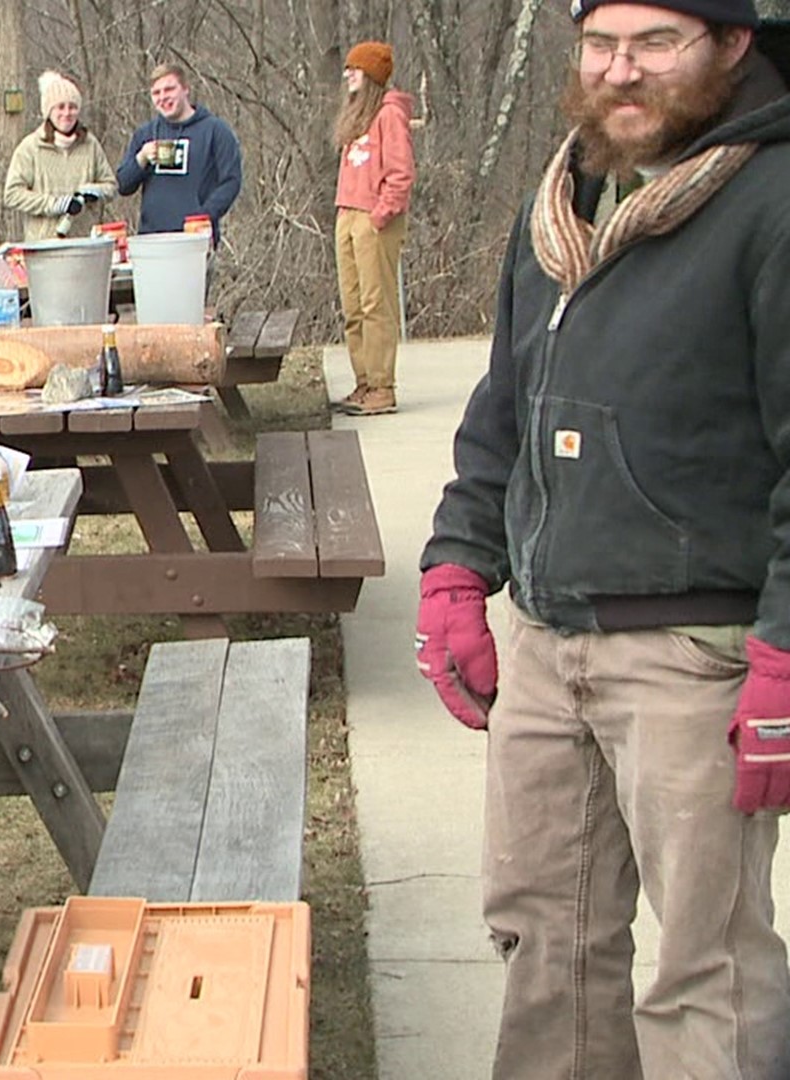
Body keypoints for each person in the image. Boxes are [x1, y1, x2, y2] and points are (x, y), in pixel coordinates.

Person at [417, 1, 790, 1075]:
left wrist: (783, 654)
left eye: (657, 43)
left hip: (696, 659)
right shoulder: (559, 209)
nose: (623, 72)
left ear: (731, 46)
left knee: (705, 969)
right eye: (602, 45)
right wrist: (455, 568)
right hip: (547, 641)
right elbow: (505, 408)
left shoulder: (771, 202)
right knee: (544, 941)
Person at [330, 41, 415, 417]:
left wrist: (381, 215)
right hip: (347, 215)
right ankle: (363, 381)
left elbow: (401, 173)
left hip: (374, 218)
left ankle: (382, 386)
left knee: (375, 305)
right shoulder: (356, 116)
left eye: (355, 69)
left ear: (372, 75)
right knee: (353, 306)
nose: (348, 74)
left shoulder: (388, 114)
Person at [115, 63, 244, 242]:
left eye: (169, 89)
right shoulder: (145, 134)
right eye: (156, 93)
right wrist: (141, 158)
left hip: (196, 240)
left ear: (185, 89)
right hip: (152, 241)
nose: (163, 97)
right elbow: (123, 185)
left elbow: (231, 181)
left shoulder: (216, 131)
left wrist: (203, 217)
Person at [2, 71, 118, 243]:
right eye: (60, 107)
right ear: (49, 111)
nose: (67, 113)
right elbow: (12, 194)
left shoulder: (90, 144)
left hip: (84, 242)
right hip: (43, 244)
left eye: (72, 107)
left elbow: (111, 186)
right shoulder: (30, 147)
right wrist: (54, 204)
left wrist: (96, 192)